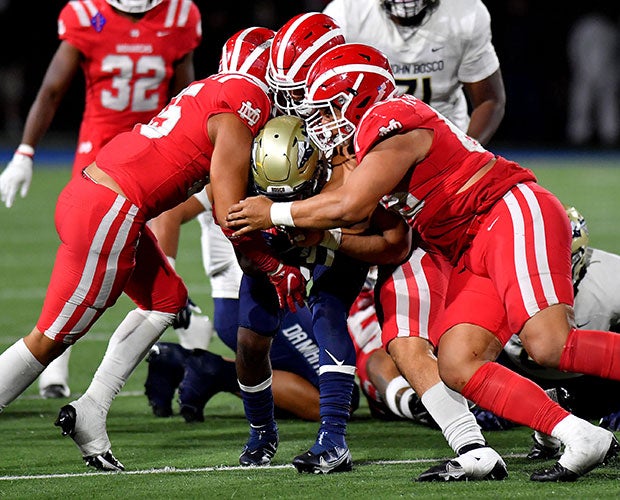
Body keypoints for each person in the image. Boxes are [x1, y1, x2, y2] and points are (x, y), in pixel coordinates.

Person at [226, 42, 620, 482]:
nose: (320, 123)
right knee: (458, 364)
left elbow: (351, 206)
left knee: (549, 344)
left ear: (357, 98)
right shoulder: (369, 135)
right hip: (470, 244)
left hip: (506, 211)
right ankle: (580, 435)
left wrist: (273, 212)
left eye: (327, 110)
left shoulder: (391, 121)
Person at [0, 27, 307, 472]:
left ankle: (91, 413)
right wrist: (274, 267)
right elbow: (230, 216)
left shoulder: (212, 88)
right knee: (49, 339)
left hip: (100, 194)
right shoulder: (246, 103)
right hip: (110, 210)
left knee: (166, 300)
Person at [0, 0, 203, 399]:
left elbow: (185, 98)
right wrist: (24, 152)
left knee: (146, 285)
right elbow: (52, 88)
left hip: (152, 156)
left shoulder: (180, 15)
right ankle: (55, 366)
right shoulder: (86, 14)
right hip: (101, 159)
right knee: (82, 267)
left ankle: (99, 386)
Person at [144, 188, 325, 423]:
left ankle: (181, 361)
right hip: (250, 301)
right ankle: (210, 370)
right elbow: (167, 212)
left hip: (268, 296)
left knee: (323, 389)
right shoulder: (229, 166)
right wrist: (166, 284)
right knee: (327, 401)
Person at [322, 0, 505, 145]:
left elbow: (489, 100)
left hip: (447, 140)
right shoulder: (345, 14)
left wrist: (467, 153)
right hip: (370, 141)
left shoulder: (466, 15)